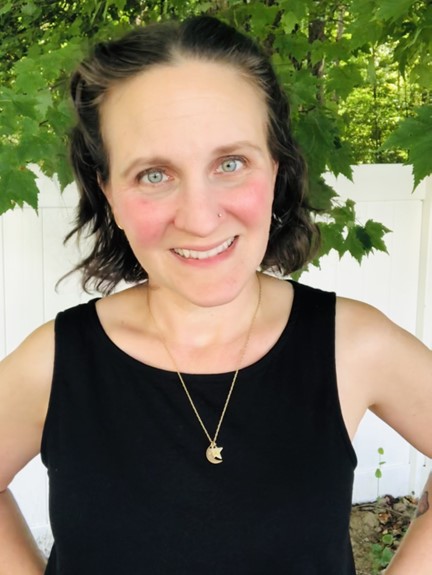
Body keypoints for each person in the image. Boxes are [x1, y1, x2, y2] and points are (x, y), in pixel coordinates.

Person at [0, 15, 431, 575]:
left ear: (274, 169)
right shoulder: (54, 362)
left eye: (231, 163)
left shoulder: (355, 344)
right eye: (154, 174)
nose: (200, 219)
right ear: (108, 190)